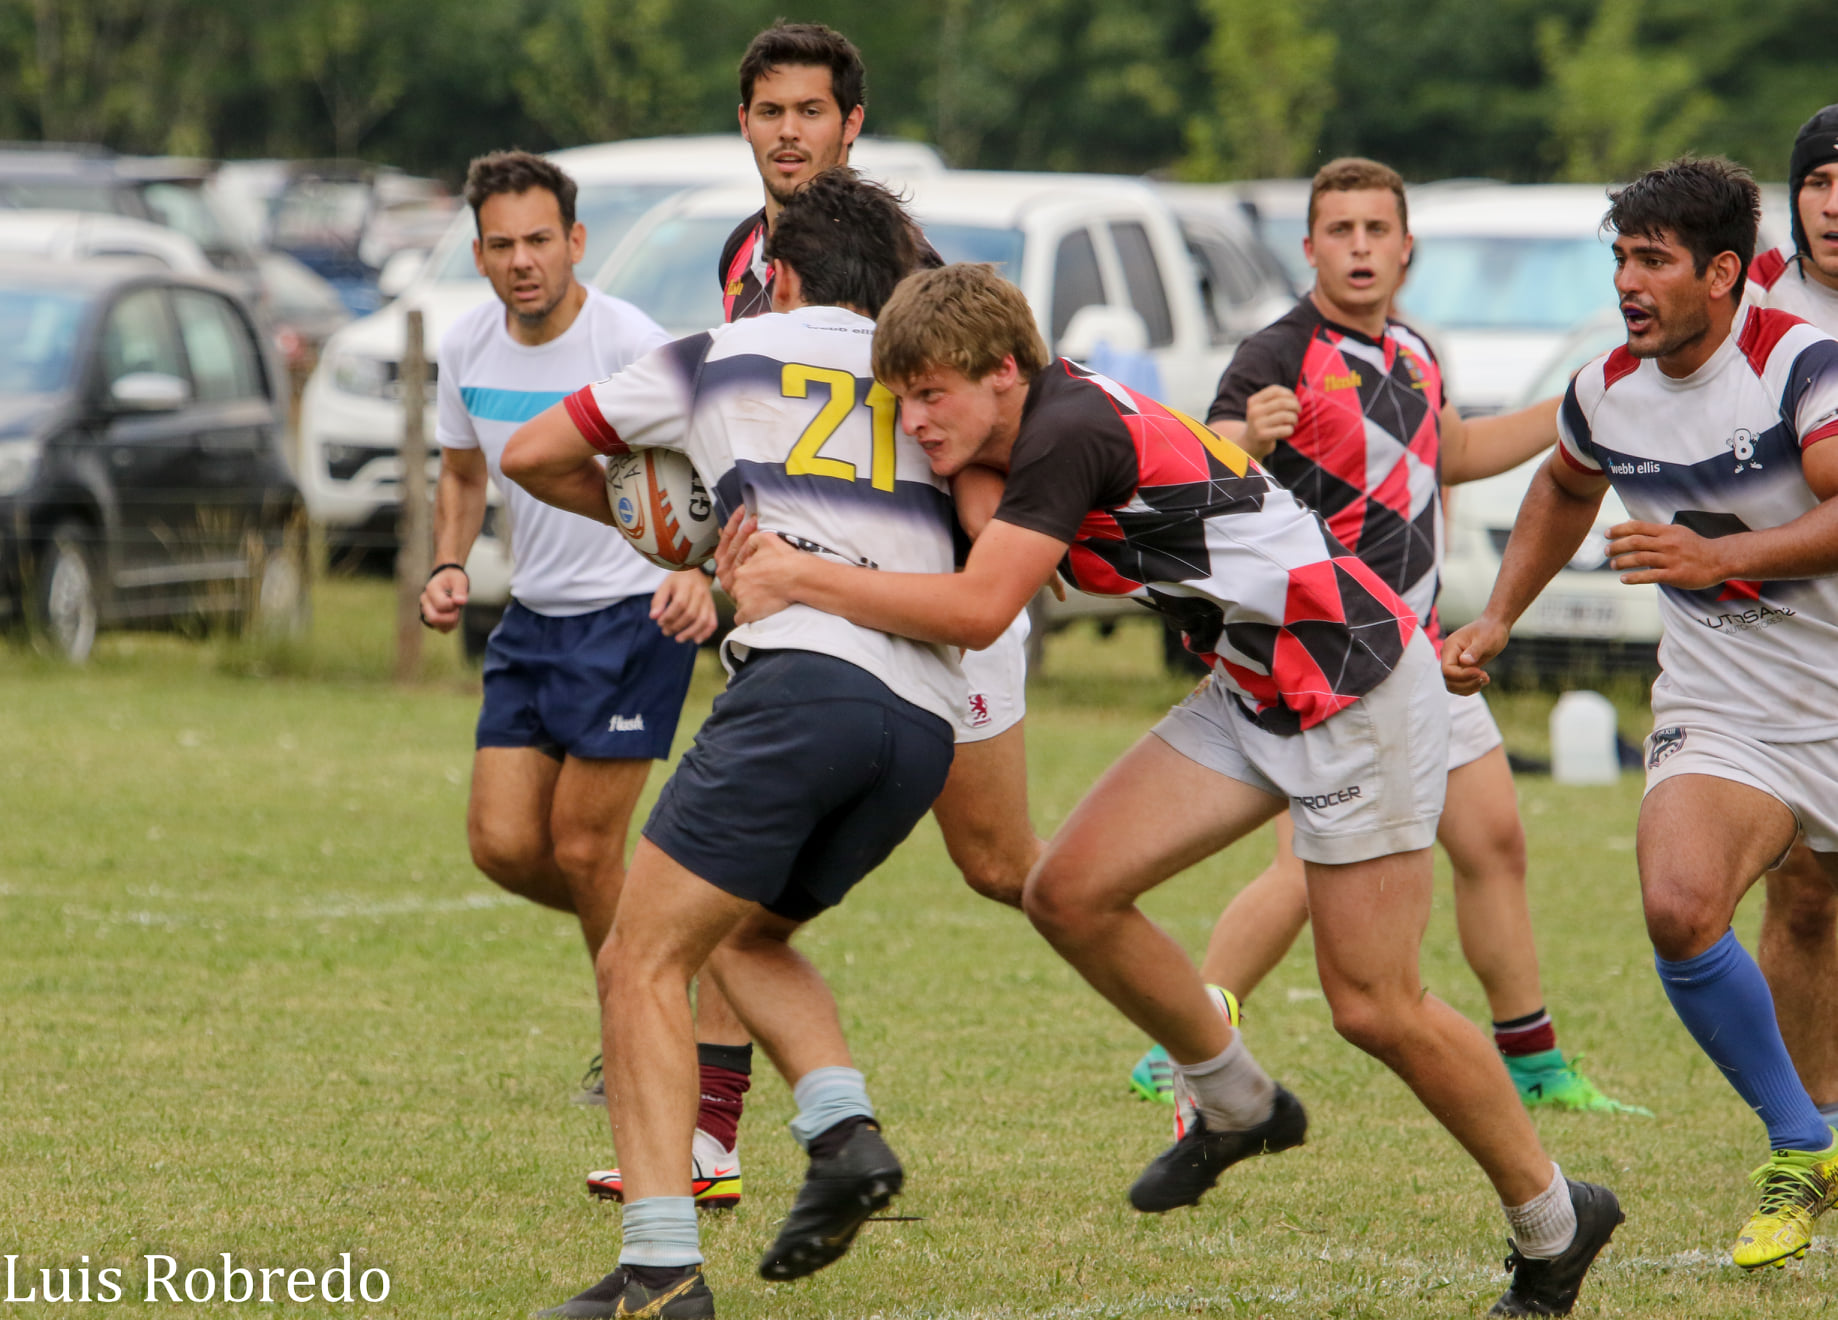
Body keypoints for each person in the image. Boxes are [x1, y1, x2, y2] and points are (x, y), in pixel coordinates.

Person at [725, 261, 1622, 1317]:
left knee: (1375, 1005)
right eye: (902, 399)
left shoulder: (1066, 433)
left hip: (1353, 681)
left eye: (931, 395)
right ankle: (1237, 1101)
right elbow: (984, 510)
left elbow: (979, 608)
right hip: (1254, 679)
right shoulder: (1031, 422)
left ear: (1004, 371)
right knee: (1067, 892)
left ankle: (1554, 1219)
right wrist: (954, 469)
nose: (913, 420)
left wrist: (795, 574)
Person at [581, 17, 1046, 1211]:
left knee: (1006, 867)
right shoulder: (747, 254)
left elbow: (965, 438)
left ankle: (1189, 1026)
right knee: (736, 875)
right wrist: (707, 552)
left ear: (852, 125)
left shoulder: (902, 265)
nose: (789, 133)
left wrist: (978, 563)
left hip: (925, 605)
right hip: (804, 614)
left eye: (810, 113)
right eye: (769, 112)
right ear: (742, 122)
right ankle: (710, 1132)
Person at [504, 169, 958, 1319]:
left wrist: (675, 529)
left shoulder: (713, 352)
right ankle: (841, 1132)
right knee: (747, 937)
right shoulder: (925, 376)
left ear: (782, 274)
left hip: (803, 686)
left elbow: (534, 454)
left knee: (640, 960)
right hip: (922, 721)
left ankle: (659, 1272)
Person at [1125, 157, 1643, 1119]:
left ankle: (1533, 1061)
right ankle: (1184, 1041)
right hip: (1330, 657)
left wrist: (1582, 403)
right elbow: (1201, 469)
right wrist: (1253, 437)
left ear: (1407, 249)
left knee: (1494, 842)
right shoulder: (1278, 350)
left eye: (1376, 231)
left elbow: (1456, 450)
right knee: (1300, 870)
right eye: (1341, 230)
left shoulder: (1413, 349)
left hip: (1423, 653)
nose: (1359, 248)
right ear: (1310, 247)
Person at [1444, 156, 1838, 1270]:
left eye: (1653, 260)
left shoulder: (1799, 364)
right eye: (1620, 258)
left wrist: (1717, 558)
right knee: (1679, 905)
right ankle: (1803, 1142)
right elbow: (1564, 486)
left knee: (1820, 916)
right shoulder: (1603, 388)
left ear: (1722, 274)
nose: (1627, 281)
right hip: (1728, 706)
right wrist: (1499, 616)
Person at [415, 151, 748, 1208]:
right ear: (479, 255)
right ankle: (680, 955)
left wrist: (696, 571)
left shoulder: (630, 343)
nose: (522, 261)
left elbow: (710, 467)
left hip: (633, 615)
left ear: (575, 242)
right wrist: (449, 560)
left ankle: (637, 1023)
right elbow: (462, 470)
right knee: (502, 843)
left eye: (538, 240)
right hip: (531, 620)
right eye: (501, 245)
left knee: (584, 846)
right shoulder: (466, 346)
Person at [1743, 104, 1838, 1130]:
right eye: (1818, 181)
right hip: (1793, 643)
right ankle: (1816, 1129)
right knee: (1804, 893)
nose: (1836, 204)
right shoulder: (1752, 300)